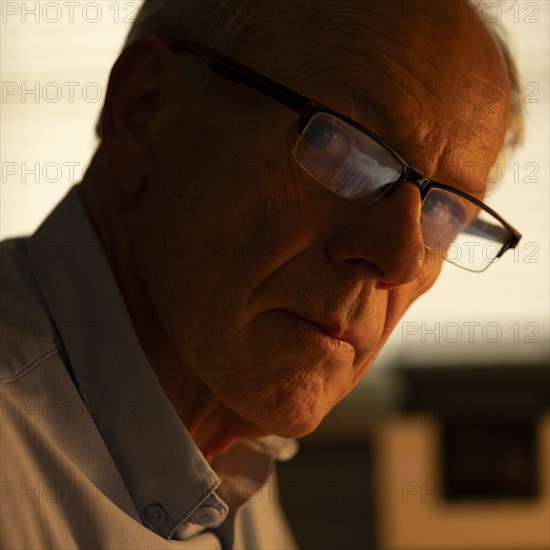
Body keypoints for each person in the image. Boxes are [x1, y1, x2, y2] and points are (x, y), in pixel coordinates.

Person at [1, 0, 524, 548]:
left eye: (444, 212)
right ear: (144, 109)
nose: (401, 259)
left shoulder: (232, 459)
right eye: (342, 147)